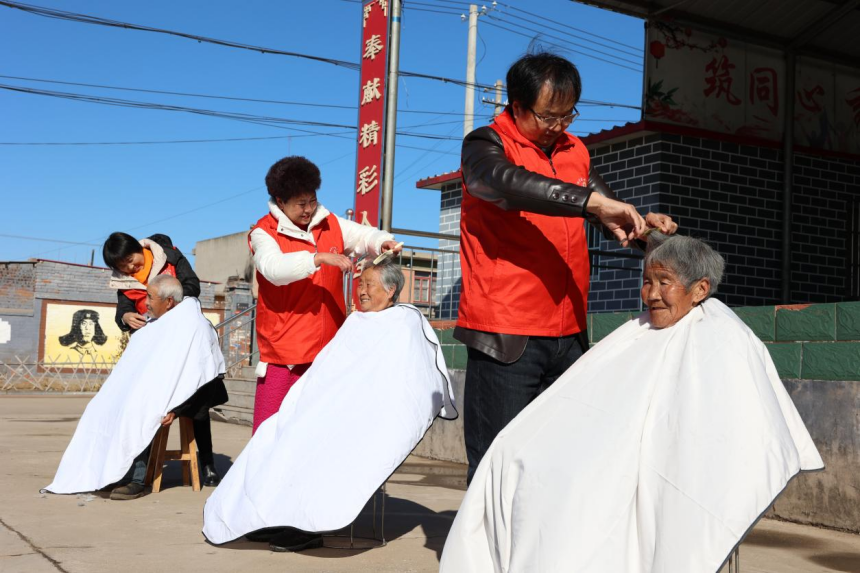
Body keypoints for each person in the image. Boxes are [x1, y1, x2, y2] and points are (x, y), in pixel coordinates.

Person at [439, 235, 824, 573]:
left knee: (578, 489)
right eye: (647, 282)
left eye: (664, 283)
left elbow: (711, 428)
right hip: (603, 443)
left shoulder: (723, 339)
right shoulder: (637, 332)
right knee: (514, 454)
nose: (651, 294)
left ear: (701, 289)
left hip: (650, 459)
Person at [456, 51, 679, 482]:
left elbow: (611, 216)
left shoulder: (575, 152)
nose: (559, 126)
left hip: (569, 333)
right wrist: (590, 201)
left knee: (559, 463)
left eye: (567, 115)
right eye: (547, 116)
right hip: (506, 333)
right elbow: (504, 184)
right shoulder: (485, 146)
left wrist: (652, 233)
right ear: (517, 106)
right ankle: (483, 550)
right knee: (497, 466)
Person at [202, 258, 457, 552]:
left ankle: (307, 527)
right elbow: (329, 370)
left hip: (361, 417)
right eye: (360, 283)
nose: (361, 290)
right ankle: (269, 516)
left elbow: (403, 381)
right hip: (327, 407)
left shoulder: (404, 324)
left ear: (390, 290)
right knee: (272, 439)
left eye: (368, 284)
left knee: (317, 449)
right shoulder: (357, 321)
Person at [249, 155, 401, 433]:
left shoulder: (330, 222)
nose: (308, 209)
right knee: (269, 433)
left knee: (316, 434)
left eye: (312, 201)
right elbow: (273, 269)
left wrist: (382, 242)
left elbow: (364, 236)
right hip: (285, 354)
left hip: (327, 351)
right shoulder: (263, 232)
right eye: (300, 204)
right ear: (280, 202)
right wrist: (316, 259)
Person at [44, 275, 227, 500]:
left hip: (191, 399)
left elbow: (200, 376)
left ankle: (136, 479)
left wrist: (176, 408)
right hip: (158, 392)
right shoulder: (157, 324)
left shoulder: (194, 326)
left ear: (169, 301)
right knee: (102, 408)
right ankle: (109, 471)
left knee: (139, 411)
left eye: (150, 297)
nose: (146, 303)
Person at [102, 231, 200, 332]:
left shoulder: (169, 257)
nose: (130, 267)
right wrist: (126, 317)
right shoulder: (124, 283)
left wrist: (170, 301)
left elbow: (192, 285)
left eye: (130, 260)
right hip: (150, 332)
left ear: (138, 248)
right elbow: (123, 308)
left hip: (182, 324)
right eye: (122, 266)